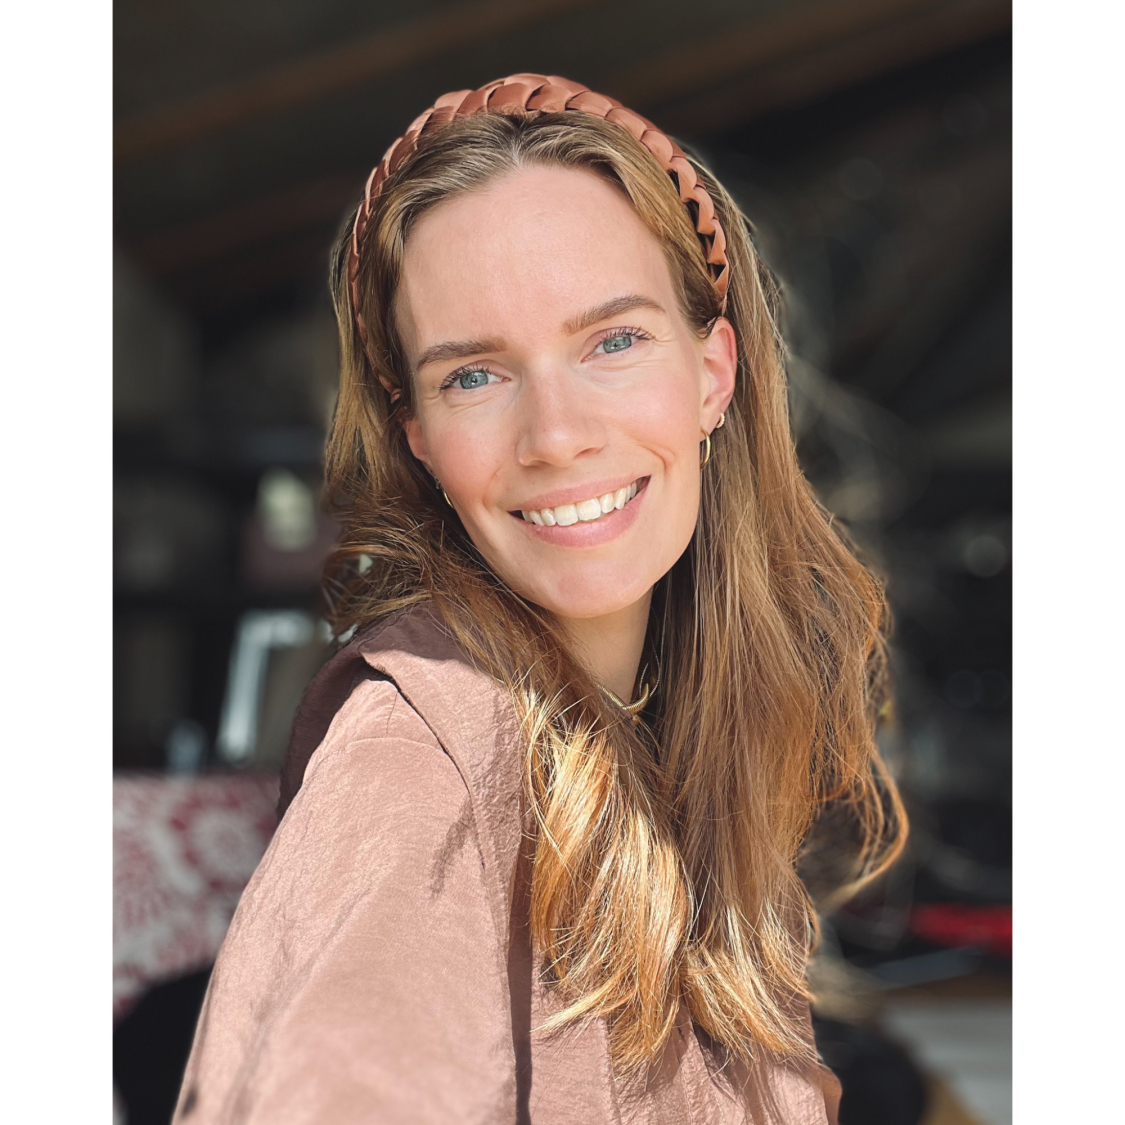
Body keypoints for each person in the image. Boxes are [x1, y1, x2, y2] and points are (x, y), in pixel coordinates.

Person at [173, 74, 906, 1125]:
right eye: (473, 375)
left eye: (613, 341)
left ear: (712, 372)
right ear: (420, 439)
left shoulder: (678, 728)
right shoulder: (418, 763)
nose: (556, 435)